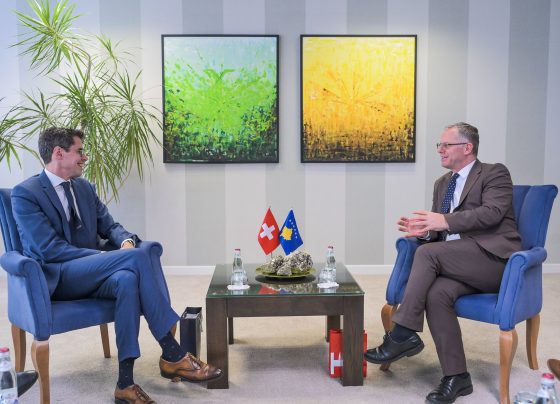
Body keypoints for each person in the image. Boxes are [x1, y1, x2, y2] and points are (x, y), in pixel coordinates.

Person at [11, 127, 222, 403]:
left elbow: (110, 226)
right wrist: (105, 258)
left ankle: (125, 383)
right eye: (79, 151)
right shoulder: (25, 194)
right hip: (58, 277)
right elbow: (49, 249)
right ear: (59, 153)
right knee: (136, 258)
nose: (85, 157)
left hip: (95, 273)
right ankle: (172, 352)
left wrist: (125, 242)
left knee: (127, 278)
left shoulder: (84, 188)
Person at [364, 122, 522, 403]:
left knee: (427, 254)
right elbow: (439, 231)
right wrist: (425, 231)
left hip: (493, 261)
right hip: (458, 262)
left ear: (467, 147)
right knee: (437, 294)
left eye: (446, 145)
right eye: (439, 145)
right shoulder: (442, 184)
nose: (440, 150)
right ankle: (457, 377)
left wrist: (444, 221)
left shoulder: (494, 173)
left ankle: (402, 334)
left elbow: (492, 213)